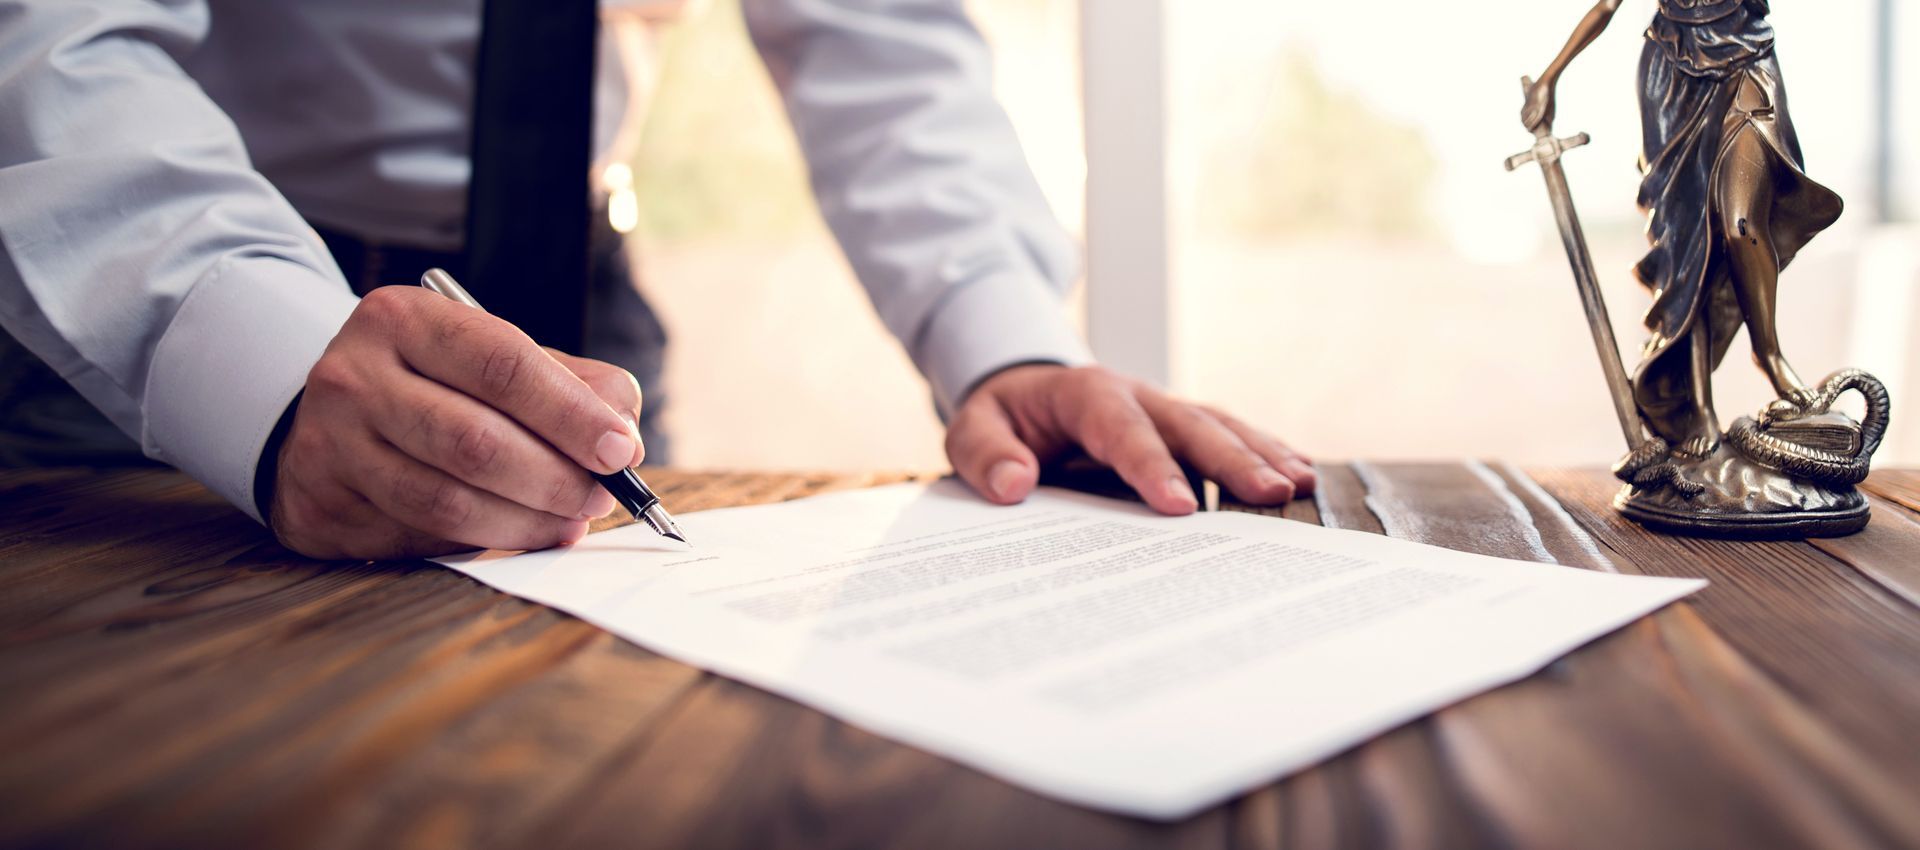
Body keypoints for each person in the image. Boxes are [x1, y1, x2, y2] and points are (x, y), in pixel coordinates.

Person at [0, 0, 1316, 560]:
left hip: (573, 305)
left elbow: (878, 39)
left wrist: (1006, 345)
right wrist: (261, 357)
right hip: (144, 314)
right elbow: (49, 37)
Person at [1522, 0, 1842, 457]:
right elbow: (1607, 6)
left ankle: (1769, 355)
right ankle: (1700, 407)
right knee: (1687, 244)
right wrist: (1551, 78)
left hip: (1747, 60)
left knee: (1741, 225)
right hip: (1672, 73)